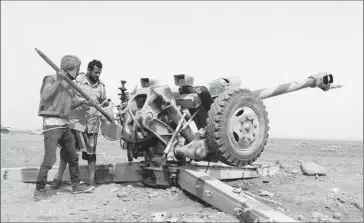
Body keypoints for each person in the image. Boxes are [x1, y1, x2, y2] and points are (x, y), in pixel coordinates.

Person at [35, 55, 97, 200]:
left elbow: (70, 104)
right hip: (51, 125)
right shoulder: (50, 78)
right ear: (70, 68)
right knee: (50, 159)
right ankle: (39, 188)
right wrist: (59, 80)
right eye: (77, 69)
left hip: (64, 125)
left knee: (73, 156)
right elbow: (45, 96)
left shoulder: (71, 84)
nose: (78, 71)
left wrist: (84, 102)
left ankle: (76, 185)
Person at [50, 59, 109, 189]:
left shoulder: (101, 86)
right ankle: (58, 179)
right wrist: (83, 102)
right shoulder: (77, 81)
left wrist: (102, 104)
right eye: (95, 72)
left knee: (91, 155)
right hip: (75, 123)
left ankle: (91, 181)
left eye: (100, 73)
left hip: (92, 125)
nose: (98, 75)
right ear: (88, 70)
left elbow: (104, 102)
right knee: (66, 153)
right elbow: (68, 95)